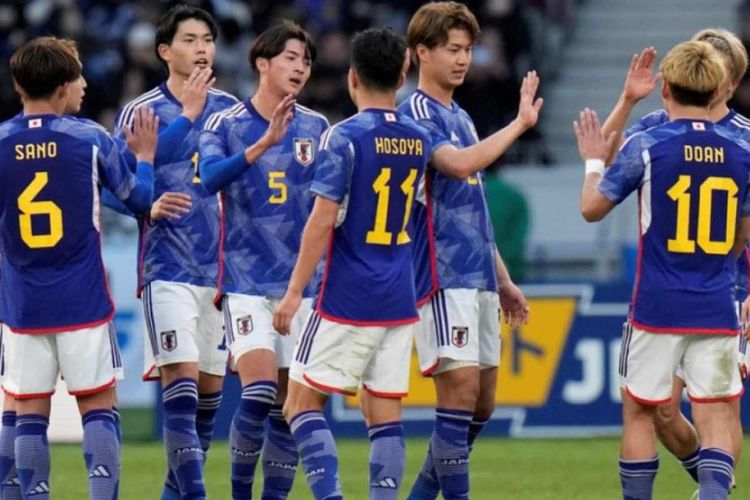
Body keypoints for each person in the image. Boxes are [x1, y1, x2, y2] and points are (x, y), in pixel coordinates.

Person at [575, 40, 750, 500]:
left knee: (639, 412)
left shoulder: (649, 144)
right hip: (717, 302)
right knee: (716, 414)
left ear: (666, 88)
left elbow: (591, 208)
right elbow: (742, 234)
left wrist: (592, 161)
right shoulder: (742, 149)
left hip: (656, 304)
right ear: (718, 89)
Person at [270, 27, 431, 500]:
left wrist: (294, 292)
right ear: (402, 77)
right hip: (398, 296)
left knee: (300, 405)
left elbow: (322, 220)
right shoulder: (419, 139)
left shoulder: (343, 137)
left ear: (352, 77)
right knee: (384, 415)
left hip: (348, 295)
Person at [0, 36, 157, 499]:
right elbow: (140, 200)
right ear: (63, 87)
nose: (85, 85)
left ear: (19, 85)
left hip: (23, 304)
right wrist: (145, 158)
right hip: (82, 300)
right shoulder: (89, 138)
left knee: (28, 414)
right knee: (98, 408)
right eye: (79, 76)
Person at [396, 3, 541, 498]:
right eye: (452, 49)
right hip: (442, 274)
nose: (463, 59)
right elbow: (456, 166)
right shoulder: (413, 112)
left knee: (481, 404)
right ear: (422, 53)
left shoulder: (460, 116)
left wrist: (502, 278)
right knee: (458, 398)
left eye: (468, 50)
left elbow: (474, 206)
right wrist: (519, 125)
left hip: (477, 276)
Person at [111, 5, 239, 499]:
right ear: (165, 51)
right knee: (181, 390)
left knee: (207, 406)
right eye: (190, 40)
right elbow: (111, 184)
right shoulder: (141, 112)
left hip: (220, 272)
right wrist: (146, 205)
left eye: (207, 39)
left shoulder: (231, 110)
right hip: (165, 267)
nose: (202, 48)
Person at [198, 20, 328, 499]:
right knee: (257, 392)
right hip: (247, 280)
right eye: (291, 58)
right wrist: (263, 144)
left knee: (289, 408)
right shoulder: (226, 124)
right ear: (262, 64)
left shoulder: (317, 128)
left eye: (306, 61)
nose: (300, 68)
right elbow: (209, 179)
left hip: (302, 286)